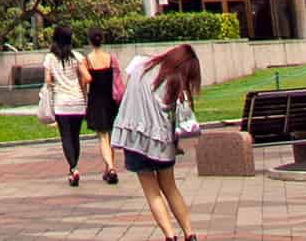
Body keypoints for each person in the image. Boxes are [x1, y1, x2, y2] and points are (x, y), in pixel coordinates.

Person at [110, 42, 202, 241]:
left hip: (135, 138)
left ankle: (170, 236)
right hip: (163, 143)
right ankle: (190, 233)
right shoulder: (176, 83)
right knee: (170, 187)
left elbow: (127, 88)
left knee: (152, 192)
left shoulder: (140, 65)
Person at [39, 22, 88, 187]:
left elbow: (47, 80)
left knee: (66, 136)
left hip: (61, 102)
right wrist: (84, 93)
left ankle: (73, 168)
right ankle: (74, 167)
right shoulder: (77, 57)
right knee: (75, 137)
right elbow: (85, 78)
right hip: (78, 101)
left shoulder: (50, 58)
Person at [81, 29, 121, 183]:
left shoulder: (87, 60)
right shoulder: (110, 58)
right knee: (110, 136)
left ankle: (110, 167)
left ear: (90, 41)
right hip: (110, 100)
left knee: (103, 137)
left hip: (96, 100)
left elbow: (85, 82)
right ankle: (109, 168)